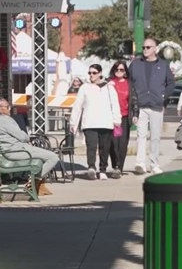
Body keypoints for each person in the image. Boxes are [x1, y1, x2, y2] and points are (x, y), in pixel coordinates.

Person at [129, 38, 175, 175]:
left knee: (155, 136)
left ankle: (154, 164)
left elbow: (171, 83)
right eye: (143, 47)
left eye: (148, 47)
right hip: (141, 105)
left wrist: (163, 96)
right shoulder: (135, 64)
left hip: (156, 105)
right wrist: (134, 101)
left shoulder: (163, 65)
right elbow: (130, 83)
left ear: (155, 49)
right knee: (140, 135)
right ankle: (140, 163)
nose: (145, 50)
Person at [69, 64, 122, 181]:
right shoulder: (84, 88)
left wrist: (117, 120)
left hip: (106, 123)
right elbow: (78, 106)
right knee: (91, 146)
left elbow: (115, 104)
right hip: (89, 123)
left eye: (94, 73)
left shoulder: (109, 88)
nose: (91, 75)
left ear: (100, 73)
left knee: (105, 148)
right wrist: (73, 123)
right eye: (89, 73)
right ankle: (91, 167)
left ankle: (103, 170)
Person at [0, 98, 59, 179]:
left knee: (45, 156)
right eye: (7, 107)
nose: (10, 109)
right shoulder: (5, 120)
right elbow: (22, 136)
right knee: (53, 157)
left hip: (15, 150)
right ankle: (34, 181)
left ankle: (33, 180)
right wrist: (27, 138)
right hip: (17, 151)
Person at [106, 61, 132, 177]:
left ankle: (119, 167)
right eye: (117, 69)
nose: (119, 72)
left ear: (125, 72)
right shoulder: (109, 83)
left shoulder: (129, 84)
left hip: (125, 118)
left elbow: (134, 100)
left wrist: (135, 114)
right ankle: (115, 165)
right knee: (113, 143)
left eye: (122, 70)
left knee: (122, 144)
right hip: (112, 118)